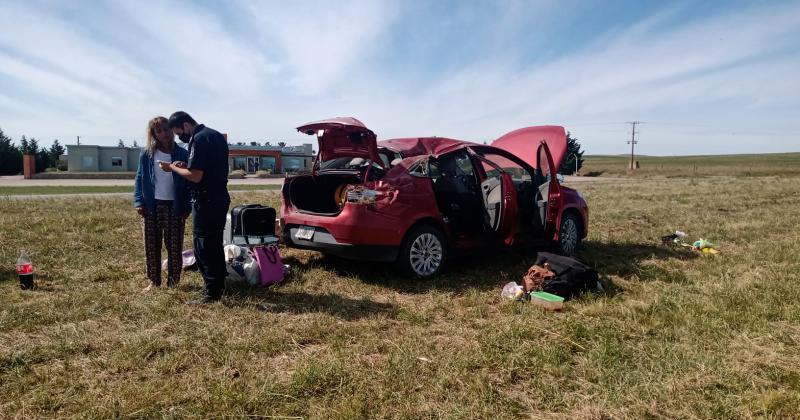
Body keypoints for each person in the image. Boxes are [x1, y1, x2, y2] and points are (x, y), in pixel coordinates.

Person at [161, 111, 230, 304]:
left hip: (206, 200)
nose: (180, 137)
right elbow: (205, 168)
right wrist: (186, 165)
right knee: (214, 243)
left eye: (178, 132)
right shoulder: (214, 135)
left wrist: (172, 168)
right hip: (219, 197)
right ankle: (219, 284)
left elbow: (196, 176)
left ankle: (211, 292)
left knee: (204, 246)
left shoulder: (198, 139)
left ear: (185, 125)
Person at [133, 116, 191, 290]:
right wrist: (138, 201)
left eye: (166, 129)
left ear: (172, 130)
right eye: (159, 131)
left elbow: (189, 181)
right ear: (153, 134)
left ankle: (174, 282)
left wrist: (186, 206)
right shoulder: (147, 153)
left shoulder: (183, 153)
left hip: (175, 206)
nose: (164, 133)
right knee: (151, 245)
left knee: (174, 246)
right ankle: (154, 281)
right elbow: (139, 177)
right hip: (152, 206)